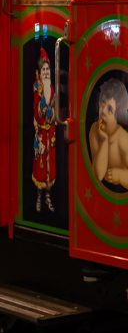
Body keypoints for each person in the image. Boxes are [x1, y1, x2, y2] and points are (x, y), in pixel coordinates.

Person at [89, 78, 128, 192]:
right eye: (102, 104)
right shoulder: (94, 130)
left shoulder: (122, 139)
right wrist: (104, 141)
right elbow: (98, 174)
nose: (103, 111)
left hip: (121, 192)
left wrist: (120, 175)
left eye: (110, 109)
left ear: (118, 115)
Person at [32, 49, 57, 213]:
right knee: (40, 166)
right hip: (41, 134)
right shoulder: (37, 89)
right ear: (39, 73)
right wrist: (42, 110)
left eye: (48, 69)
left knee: (51, 164)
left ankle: (48, 195)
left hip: (51, 134)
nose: (46, 72)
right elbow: (35, 111)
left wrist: (52, 114)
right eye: (44, 70)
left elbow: (54, 112)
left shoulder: (52, 89)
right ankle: (39, 196)